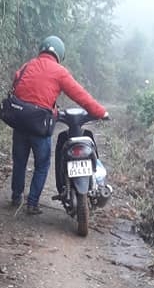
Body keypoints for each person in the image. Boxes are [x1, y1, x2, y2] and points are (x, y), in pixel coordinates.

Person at [9, 35, 108, 215]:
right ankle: (32, 203)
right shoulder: (59, 72)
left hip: (20, 122)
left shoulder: (27, 66)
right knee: (42, 165)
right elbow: (80, 94)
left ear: (42, 49)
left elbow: (15, 86)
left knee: (20, 161)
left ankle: (16, 197)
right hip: (40, 127)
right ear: (60, 54)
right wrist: (100, 112)